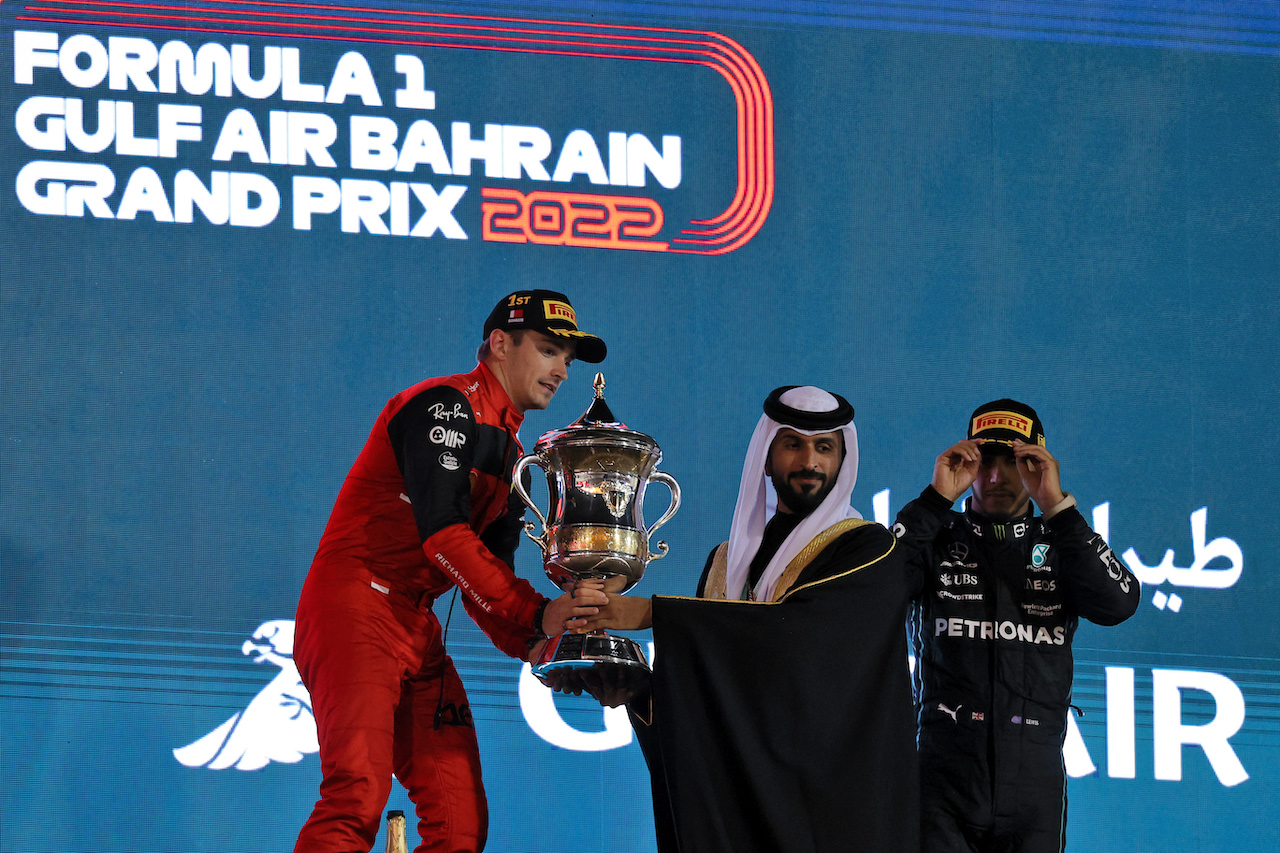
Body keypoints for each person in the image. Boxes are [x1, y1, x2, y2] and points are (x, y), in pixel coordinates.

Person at [292, 290, 610, 853]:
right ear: (498, 344)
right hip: (354, 607)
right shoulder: (442, 406)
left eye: (568, 358)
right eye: (547, 349)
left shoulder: (516, 461)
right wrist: (538, 612)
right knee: (356, 795)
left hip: (416, 628)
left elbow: (486, 592)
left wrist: (545, 643)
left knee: (461, 823)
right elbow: (443, 536)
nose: (561, 369)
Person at [569, 385, 919, 853]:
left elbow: (801, 645)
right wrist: (641, 691)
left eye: (824, 447)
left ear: (843, 458)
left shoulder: (869, 551)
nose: (809, 462)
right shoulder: (726, 562)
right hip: (739, 809)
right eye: (793, 444)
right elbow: (717, 692)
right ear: (767, 453)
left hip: (830, 819)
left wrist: (654, 614)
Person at [893, 399, 1140, 853]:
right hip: (941, 778)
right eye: (984, 461)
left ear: (1037, 465)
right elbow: (878, 592)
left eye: (1015, 463)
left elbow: (1119, 604)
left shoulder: (1062, 539)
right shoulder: (935, 536)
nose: (995, 477)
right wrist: (934, 499)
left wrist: (1057, 507)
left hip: (1033, 787)